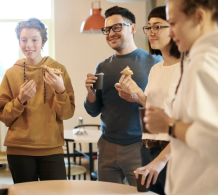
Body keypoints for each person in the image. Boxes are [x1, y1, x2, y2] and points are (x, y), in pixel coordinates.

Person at [144, 0, 218, 194]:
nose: (170, 32)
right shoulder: (201, 58)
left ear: (199, 18)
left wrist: (169, 125)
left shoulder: (203, 62)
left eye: (173, 23)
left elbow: (213, 139)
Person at [84, 6, 162, 185]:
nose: (111, 33)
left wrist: (139, 97)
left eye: (117, 27)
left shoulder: (154, 62)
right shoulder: (102, 67)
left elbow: (163, 107)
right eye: (107, 29)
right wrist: (90, 93)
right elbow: (93, 110)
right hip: (107, 146)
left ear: (133, 28)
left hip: (140, 146)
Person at [0, 18, 75, 183]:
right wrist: (20, 100)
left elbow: (67, 113)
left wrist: (60, 90)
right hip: (19, 150)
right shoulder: (11, 73)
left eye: (34, 40)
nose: (28, 45)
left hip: (51, 149)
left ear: (43, 41)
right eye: (23, 40)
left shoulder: (58, 70)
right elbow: (3, 115)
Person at [116, 6, 180, 194]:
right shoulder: (156, 69)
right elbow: (155, 110)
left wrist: (160, 160)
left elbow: (184, 120)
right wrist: (138, 97)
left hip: (171, 153)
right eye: (149, 27)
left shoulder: (186, 68)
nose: (151, 33)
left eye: (158, 27)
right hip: (147, 147)